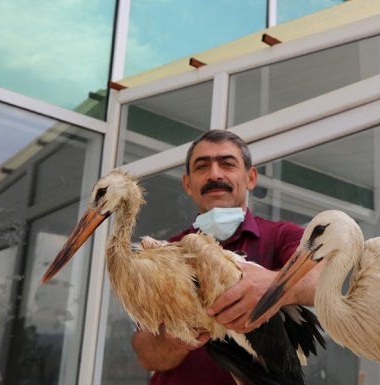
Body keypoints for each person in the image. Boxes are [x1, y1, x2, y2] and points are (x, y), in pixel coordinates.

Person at [132, 129, 319, 385]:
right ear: (188, 184)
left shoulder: (281, 236)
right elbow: (147, 357)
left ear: (251, 177)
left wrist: (273, 287)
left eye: (227, 164)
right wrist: (175, 338)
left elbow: (324, 281)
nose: (215, 174)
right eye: (202, 166)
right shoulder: (167, 252)